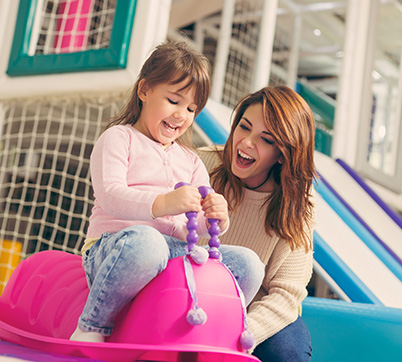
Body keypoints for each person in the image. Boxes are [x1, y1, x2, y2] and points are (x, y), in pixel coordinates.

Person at [69, 41, 265, 343]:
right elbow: (110, 194)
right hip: (117, 247)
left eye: (191, 109)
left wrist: (216, 217)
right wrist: (162, 203)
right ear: (144, 90)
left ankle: (222, 335)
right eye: (174, 101)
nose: (182, 115)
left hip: (174, 253)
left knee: (248, 263)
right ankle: (92, 326)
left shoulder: (190, 160)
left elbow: (198, 225)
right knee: (149, 243)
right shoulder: (119, 138)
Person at [197, 85, 316, 361]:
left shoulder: (297, 205)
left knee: (287, 348)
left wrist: (235, 338)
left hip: (250, 312)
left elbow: (287, 294)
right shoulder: (201, 164)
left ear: (283, 153)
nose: (246, 142)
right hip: (191, 297)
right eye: (244, 127)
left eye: (265, 139)